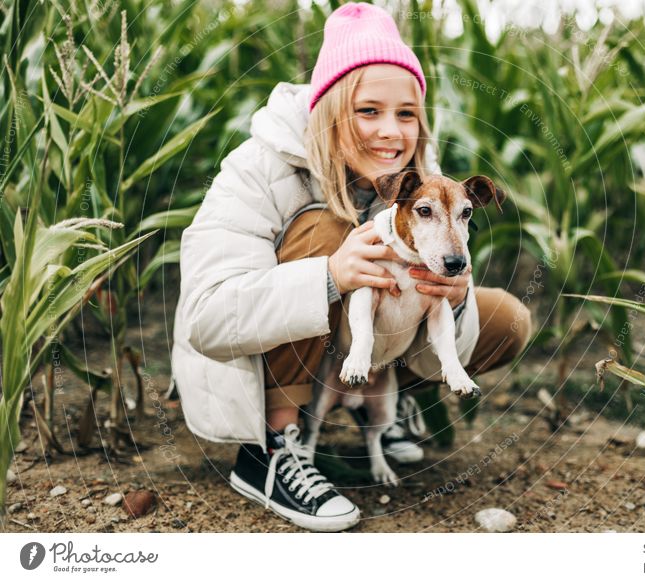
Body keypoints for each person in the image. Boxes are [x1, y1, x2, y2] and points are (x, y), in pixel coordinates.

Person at [171, 2, 533, 532]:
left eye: (406, 113)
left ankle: (381, 410)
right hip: (254, 358)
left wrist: (452, 300)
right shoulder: (257, 169)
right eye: (369, 111)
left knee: (505, 319)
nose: (391, 131)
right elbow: (206, 318)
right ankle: (273, 445)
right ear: (330, 110)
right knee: (326, 231)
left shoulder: (421, 181)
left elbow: (449, 285)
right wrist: (330, 276)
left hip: (363, 346)